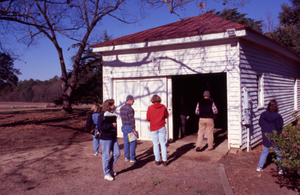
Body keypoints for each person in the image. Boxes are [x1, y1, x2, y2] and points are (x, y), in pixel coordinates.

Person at [256, 99, 284, 174]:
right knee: (278, 152)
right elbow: (280, 127)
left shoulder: (263, 115)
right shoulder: (278, 116)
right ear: (276, 107)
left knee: (265, 151)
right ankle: (280, 169)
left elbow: (260, 123)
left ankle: (259, 167)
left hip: (266, 136)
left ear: (268, 106)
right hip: (275, 137)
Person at [97, 99, 120, 181]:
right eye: (113, 104)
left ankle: (109, 169)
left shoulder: (112, 114)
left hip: (113, 137)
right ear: (109, 106)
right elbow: (100, 127)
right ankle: (106, 174)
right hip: (105, 138)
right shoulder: (102, 115)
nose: (114, 106)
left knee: (117, 153)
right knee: (106, 156)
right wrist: (111, 125)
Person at [146, 95, 169, 166]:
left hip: (153, 127)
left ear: (152, 100)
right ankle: (164, 160)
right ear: (159, 99)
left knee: (155, 144)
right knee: (163, 144)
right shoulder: (163, 107)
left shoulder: (150, 108)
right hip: (161, 126)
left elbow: (148, 118)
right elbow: (167, 116)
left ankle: (157, 160)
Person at [120, 95, 139, 163]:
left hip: (124, 126)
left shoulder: (122, 108)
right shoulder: (130, 109)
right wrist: (134, 129)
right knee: (133, 143)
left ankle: (126, 157)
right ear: (129, 100)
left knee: (126, 142)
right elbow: (132, 120)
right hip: (129, 127)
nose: (133, 101)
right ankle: (132, 158)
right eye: (133, 100)